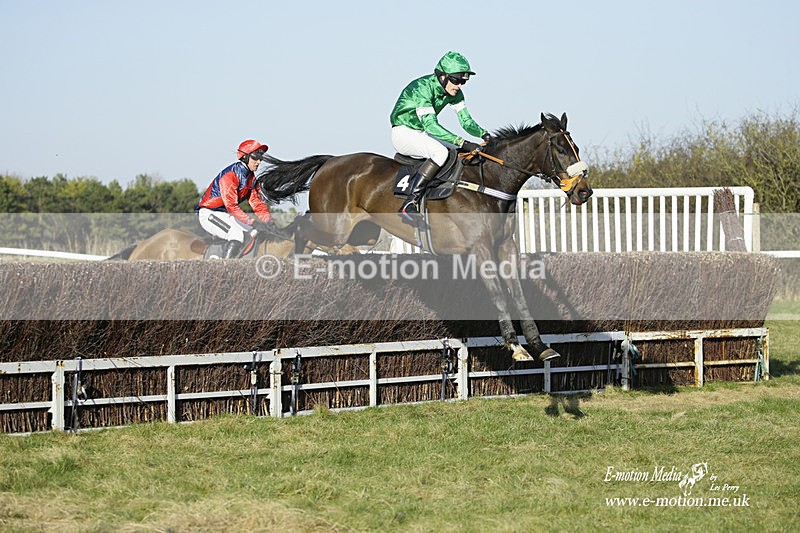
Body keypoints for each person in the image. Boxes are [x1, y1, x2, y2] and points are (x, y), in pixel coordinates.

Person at [390, 51, 492, 225]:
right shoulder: (422, 88)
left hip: (420, 133)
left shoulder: (455, 93)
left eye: (463, 81)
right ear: (442, 76)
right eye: (456, 80)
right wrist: (463, 142)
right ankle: (410, 203)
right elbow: (431, 125)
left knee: (457, 152)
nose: (459, 85)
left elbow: (466, 121)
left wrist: (484, 134)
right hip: (403, 132)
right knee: (440, 152)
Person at [195, 139, 286, 258]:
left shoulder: (251, 178)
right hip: (209, 213)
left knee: (255, 233)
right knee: (236, 235)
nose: (258, 162)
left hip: (226, 215)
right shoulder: (230, 175)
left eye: (260, 158)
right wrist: (252, 221)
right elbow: (231, 206)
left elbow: (257, 203)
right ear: (245, 157)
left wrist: (269, 222)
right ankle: (225, 268)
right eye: (255, 158)